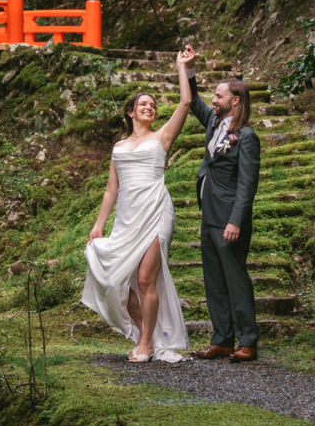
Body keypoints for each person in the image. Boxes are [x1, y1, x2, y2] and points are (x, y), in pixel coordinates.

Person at [81, 49, 195, 362]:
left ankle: (145, 344)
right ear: (131, 112)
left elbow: (185, 103)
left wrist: (182, 67)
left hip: (156, 210)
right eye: (143, 103)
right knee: (117, 280)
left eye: (153, 105)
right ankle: (152, 335)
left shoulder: (163, 137)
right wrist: (98, 224)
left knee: (146, 279)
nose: (149, 107)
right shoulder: (118, 148)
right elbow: (110, 190)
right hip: (128, 218)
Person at [179, 44, 261, 363]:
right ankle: (222, 338)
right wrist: (189, 68)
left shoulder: (247, 137)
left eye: (219, 96)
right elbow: (194, 99)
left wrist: (236, 221)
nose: (213, 100)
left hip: (229, 220)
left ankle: (248, 340)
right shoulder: (214, 124)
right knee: (213, 279)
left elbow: (247, 184)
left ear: (235, 100)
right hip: (208, 217)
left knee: (235, 278)